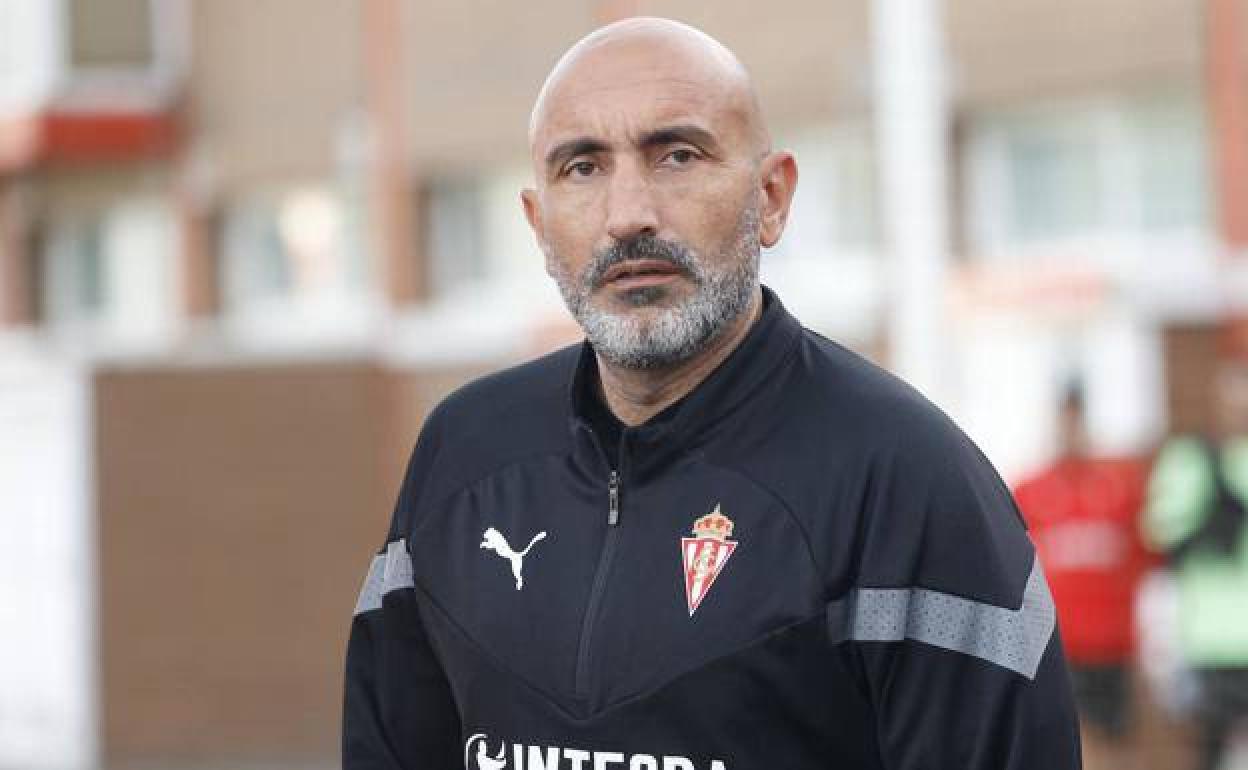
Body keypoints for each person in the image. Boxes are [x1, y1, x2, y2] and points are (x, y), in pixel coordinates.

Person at [343, 18, 1081, 769]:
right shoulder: (466, 453)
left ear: (771, 197)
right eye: (582, 168)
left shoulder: (906, 479)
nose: (628, 215)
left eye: (676, 155)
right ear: (538, 225)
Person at [1013, 384, 1153, 763]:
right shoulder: (1030, 492)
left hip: (1112, 646)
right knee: (1072, 746)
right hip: (1059, 647)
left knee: (1118, 745)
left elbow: (1143, 561)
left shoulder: (1119, 488)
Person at [1145, 363, 1248, 770]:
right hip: (1210, 635)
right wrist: (1204, 518)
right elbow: (1160, 531)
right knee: (1210, 746)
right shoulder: (1191, 458)